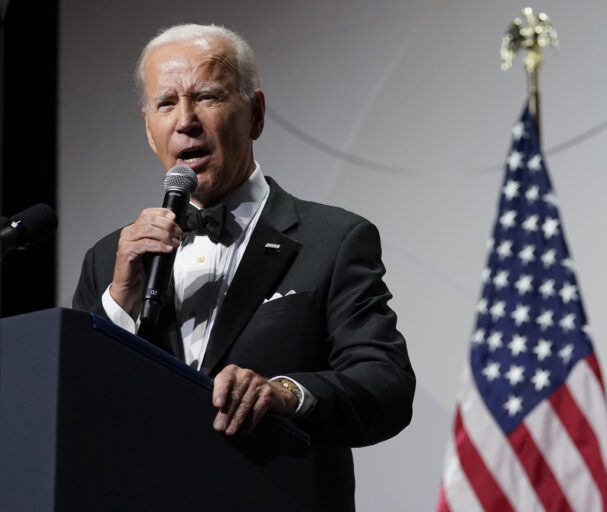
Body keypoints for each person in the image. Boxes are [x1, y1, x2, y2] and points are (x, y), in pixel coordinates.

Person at [72, 23, 415, 511]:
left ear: (255, 114)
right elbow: (77, 414)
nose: (185, 120)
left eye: (207, 97)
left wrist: (286, 394)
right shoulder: (109, 260)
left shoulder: (333, 240)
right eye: (166, 103)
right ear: (149, 129)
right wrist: (119, 305)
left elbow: (386, 388)